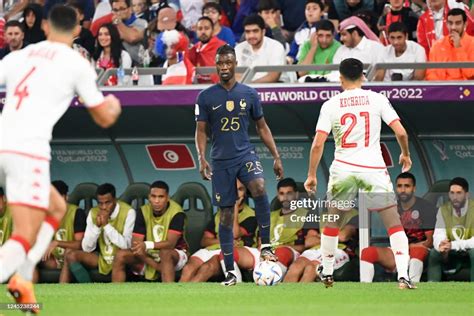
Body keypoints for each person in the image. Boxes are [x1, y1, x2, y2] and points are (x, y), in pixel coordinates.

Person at [0, 5, 121, 311]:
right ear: (78, 30)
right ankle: (14, 277)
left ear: (44, 27)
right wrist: (114, 104)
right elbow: (104, 117)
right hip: (28, 150)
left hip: (5, 143)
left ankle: (22, 281)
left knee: (56, 206)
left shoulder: (21, 55)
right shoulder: (75, 62)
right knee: (25, 233)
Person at [304, 58, 415, 289]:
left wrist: (312, 175)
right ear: (363, 77)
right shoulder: (377, 99)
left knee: (333, 220)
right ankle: (403, 275)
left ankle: (327, 270)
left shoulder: (331, 104)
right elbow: (401, 133)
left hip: (343, 167)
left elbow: (317, 144)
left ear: (340, 78)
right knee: (392, 222)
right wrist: (405, 154)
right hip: (372, 168)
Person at [195, 44, 284, 286]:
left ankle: (265, 245)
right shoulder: (205, 97)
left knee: (259, 187)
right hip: (221, 161)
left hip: (245, 154)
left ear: (235, 64)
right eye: (220, 63)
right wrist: (201, 158)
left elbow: (262, 127)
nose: (224, 67)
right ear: (216, 65)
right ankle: (231, 272)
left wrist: (276, 156)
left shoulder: (249, 94)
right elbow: (201, 131)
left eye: (228, 63)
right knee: (225, 215)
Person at [360, 173, 437, 283]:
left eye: (407, 186)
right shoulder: (392, 206)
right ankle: (364, 290)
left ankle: (411, 286)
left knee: (417, 251)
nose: (403, 190)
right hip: (399, 249)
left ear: (414, 188)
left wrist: (409, 246)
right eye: (400, 186)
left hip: (421, 250)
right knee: (367, 252)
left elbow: (430, 241)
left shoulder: (425, 207)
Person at [179, 180, 257, 283]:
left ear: (245, 192)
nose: (235, 193)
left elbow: (234, 234)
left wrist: (234, 207)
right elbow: (204, 241)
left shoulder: (251, 215)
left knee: (207, 268)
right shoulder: (219, 214)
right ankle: (175, 296)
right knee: (188, 269)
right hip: (211, 250)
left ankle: (186, 297)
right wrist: (220, 241)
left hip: (229, 253)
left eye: (240, 189)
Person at [112, 181, 188, 283]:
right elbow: (136, 244)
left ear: (167, 198)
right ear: (149, 197)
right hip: (149, 252)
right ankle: (116, 294)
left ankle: (170, 295)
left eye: (161, 197)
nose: (157, 201)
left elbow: (170, 244)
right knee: (120, 255)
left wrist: (146, 248)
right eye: (153, 196)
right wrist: (143, 252)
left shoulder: (177, 212)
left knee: (165, 253)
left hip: (176, 253)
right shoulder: (142, 211)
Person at [60, 183, 135, 283]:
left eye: (108, 203)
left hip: (123, 258)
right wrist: (97, 227)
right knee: (71, 255)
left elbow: (127, 245)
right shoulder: (93, 213)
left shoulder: (128, 212)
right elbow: (87, 248)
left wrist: (106, 226)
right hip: (102, 258)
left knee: (121, 255)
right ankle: (89, 291)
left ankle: (117, 295)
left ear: (115, 200)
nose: (103, 207)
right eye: (100, 203)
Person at [284, 209, 358, 283]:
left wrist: (319, 236)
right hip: (315, 250)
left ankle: (300, 294)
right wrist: (331, 237)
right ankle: (284, 293)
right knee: (295, 267)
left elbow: (343, 236)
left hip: (338, 250)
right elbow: (309, 242)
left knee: (312, 268)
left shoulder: (354, 215)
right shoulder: (321, 216)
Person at [36, 181, 87, 281]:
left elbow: (81, 245)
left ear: (66, 197)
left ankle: (63, 287)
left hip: (73, 258)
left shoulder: (77, 213)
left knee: (69, 253)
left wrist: (57, 243)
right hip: (54, 259)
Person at [429, 177, 474, 281]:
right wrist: (441, 244)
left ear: (467, 195)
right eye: (452, 193)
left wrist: (453, 245)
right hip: (451, 251)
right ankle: (431, 290)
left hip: (467, 249)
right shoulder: (443, 209)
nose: (455, 197)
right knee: (434, 253)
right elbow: (438, 233)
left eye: (459, 193)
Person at [235, 14, 288, 83]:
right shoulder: (239, 48)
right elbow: (234, 74)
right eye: (248, 32)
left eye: (255, 31)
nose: (251, 35)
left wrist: (251, 86)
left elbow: (274, 76)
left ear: (263, 32)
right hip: (244, 89)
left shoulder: (276, 47)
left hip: (273, 88)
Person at [426, 8, 474, 81]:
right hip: (442, 89)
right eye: (450, 23)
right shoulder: (437, 46)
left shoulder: (472, 43)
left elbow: (470, 74)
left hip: (465, 89)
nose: (453, 27)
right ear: (446, 24)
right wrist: (442, 87)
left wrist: (458, 48)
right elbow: (431, 74)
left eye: (458, 23)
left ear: (465, 24)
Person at [188, 16, 226, 84]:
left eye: (206, 28)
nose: (203, 32)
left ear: (213, 30)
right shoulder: (193, 49)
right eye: (200, 29)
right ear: (196, 31)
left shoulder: (223, 48)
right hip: (196, 88)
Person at [288, 0, 324, 64]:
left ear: (322, 12)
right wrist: (289, 59)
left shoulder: (326, 29)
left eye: (314, 8)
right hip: (298, 65)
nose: (310, 11)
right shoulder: (299, 31)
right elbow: (292, 54)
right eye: (308, 8)